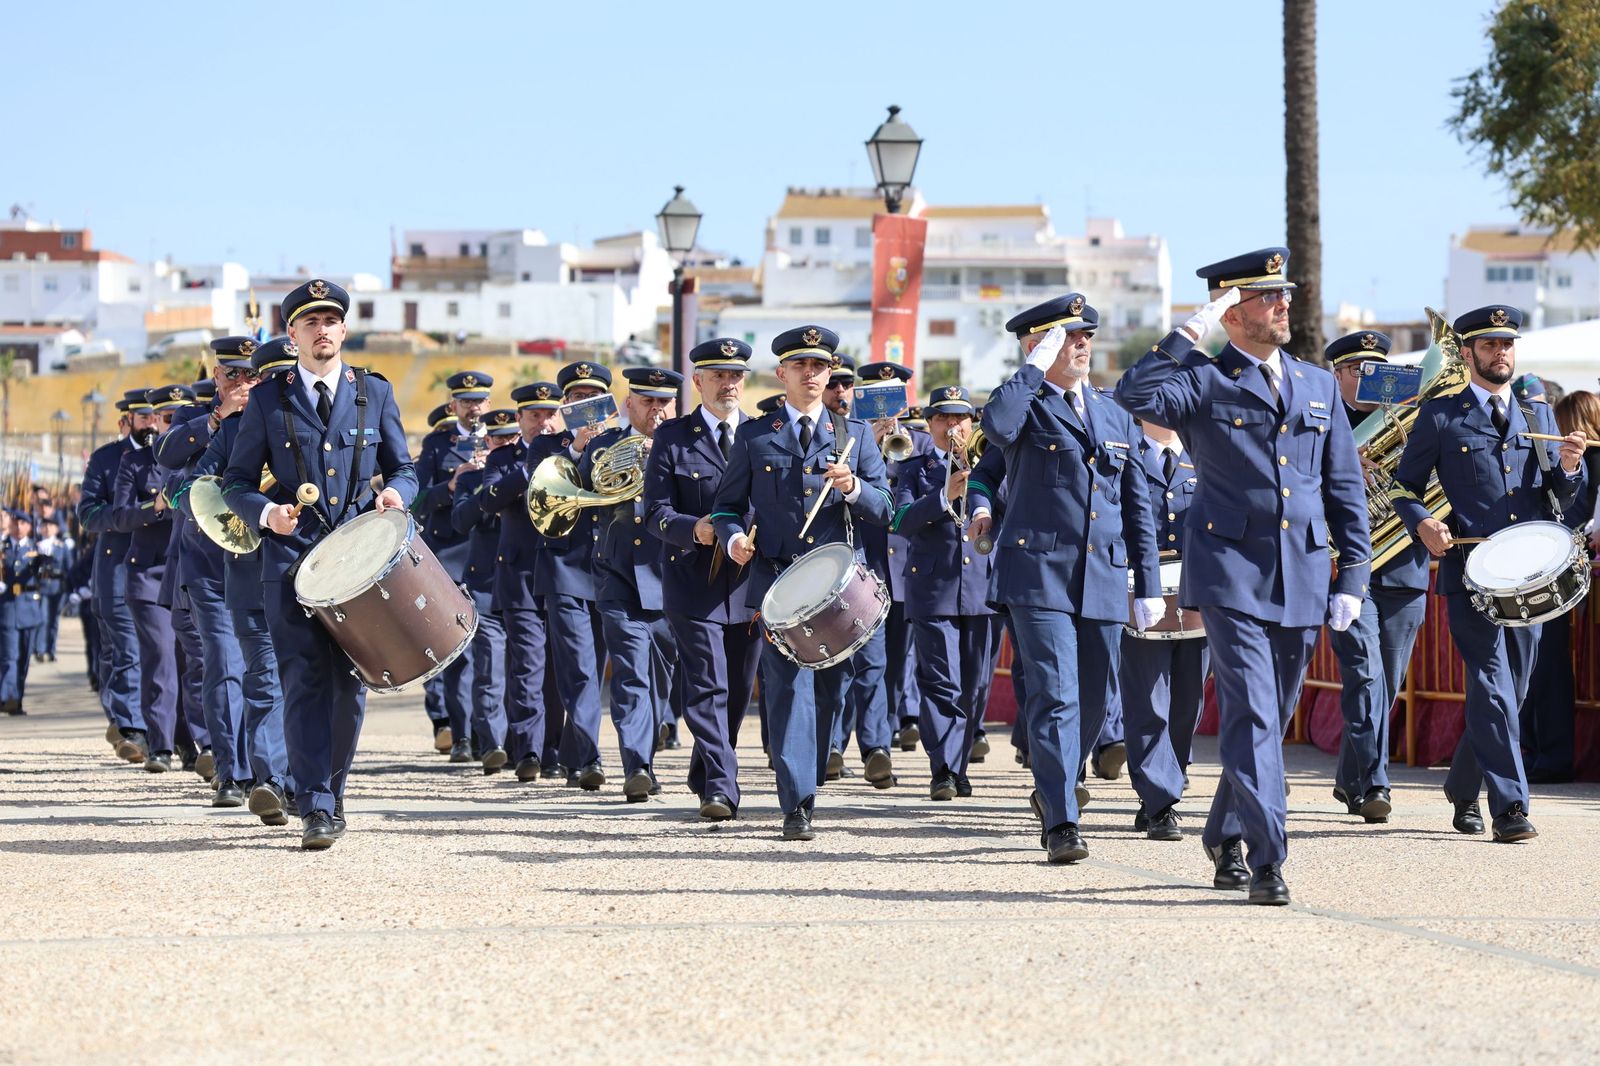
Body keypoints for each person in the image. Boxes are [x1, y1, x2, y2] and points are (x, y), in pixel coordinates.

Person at [1115, 248, 1370, 905]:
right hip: (1229, 573)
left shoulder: (1316, 385)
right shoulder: (1204, 379)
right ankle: (1268, 859)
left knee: (1271, 713)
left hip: (1305, 572)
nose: (1284, 304)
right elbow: (1133, 394)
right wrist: (1185, 332)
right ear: (1232, 312)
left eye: (1285, 293)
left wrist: (1353, 578)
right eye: (1266, 296)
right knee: (1253, 714)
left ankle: (1227, 830)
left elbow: (1344, 487)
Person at [222, 279, 417, 850]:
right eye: (310, 322)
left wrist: (398, 494)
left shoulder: (373, 393)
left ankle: (330, 788)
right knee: (303, 679)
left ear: (344, 330)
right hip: (290, 560)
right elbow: (235, 482)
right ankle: (316, 804)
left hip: (358, 559)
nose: (322, 330)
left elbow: (404, 468)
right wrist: (265, 515)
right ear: (293, 333)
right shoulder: (268, 397)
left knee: (349, 686)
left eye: (331, 320)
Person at [1392, 305, 1585, 841]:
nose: (1502, 353)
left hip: (1531, 575)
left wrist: (1571, 466)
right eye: (1490, 345)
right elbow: (1404, 487)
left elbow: (1560, 493)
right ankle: (1510, 808)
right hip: (1470, 573)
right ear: (1470, 353)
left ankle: (1461, 785)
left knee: (1511, 691)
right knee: (1493, 684)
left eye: (1508, 344)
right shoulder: (1440, 415)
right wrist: (1425, 523)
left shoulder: (1536, 412)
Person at [983, 293, 1161, 865]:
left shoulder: (1113, 414)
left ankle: (1054, 780)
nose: (1081, 344)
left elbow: (1137, 506)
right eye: (1068, 336)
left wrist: (1150, 583)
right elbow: (998, 424)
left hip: (1103, 575)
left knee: (1092, 697)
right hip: (1038, 572)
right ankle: (1062, 819)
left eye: (1085, 335)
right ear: (1038, 344)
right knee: (1056, 693)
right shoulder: (1024, 403)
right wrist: (1034, 365)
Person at [711, 326, 894, 840]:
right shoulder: (755, 435)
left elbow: (887, 508)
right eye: (800, 367)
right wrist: (731, 541)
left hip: (837, 589)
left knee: (832, 694)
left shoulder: (852, 434)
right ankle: (797, 803)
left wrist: (854, 487)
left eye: (820, 367)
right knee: (789, 691)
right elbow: (726, 507)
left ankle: (810, 775)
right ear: (782, 374)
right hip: (778, 583)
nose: (811, 375)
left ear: (830, 373)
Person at [644, 339, 761, 820]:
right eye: (717, 376)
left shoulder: (761, 434)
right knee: (708, 686)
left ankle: (705, 770)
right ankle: (721, 787)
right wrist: (692, 528)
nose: (727, 385)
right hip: (692, 581)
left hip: (749, 585)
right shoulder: (673, 439)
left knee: (736, 689)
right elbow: (653, 513)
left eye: (735, 376)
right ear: (698, 382)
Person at [1323, 331, 1431, 823]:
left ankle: (1351, 777)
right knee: (1365, 676)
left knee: (1386, 682)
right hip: (1348, 571)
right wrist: (1343, 470)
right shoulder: (1321, 424)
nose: (1370, 379)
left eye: (1378, 369)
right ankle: (1373, 783)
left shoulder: (1409, 421)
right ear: (1337, 374)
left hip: (1404, 567)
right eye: (1358, 371)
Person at [580, 367, 679, 800]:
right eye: (647, 401)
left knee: (661, 676)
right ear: (629, 404)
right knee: (631, 673)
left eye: (663, 402)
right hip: (617, 573)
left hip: (670, 574)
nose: (656, 410)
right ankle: (636, 764)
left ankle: (648, 750)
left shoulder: (682, 447)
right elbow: (579, 491)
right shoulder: (605, 445)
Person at [891, 385, 995, 799]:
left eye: (960, 419)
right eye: (944, 419)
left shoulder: (991, 464)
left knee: (976, 685)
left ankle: (961, 760)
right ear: (929, 424)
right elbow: (900, 520)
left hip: (983, 588)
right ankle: (945, 769)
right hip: (933, 588)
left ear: (972, 424)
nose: (953, 426)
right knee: (940, 682)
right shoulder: (914, 467)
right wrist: (943, 495)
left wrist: (982, 484)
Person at [1119, 418, 1208, 839]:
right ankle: (1158, 800)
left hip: (1196, 589)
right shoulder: (1125, 450)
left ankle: (1172, 774)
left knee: (1189, 700)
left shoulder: (1203, 450)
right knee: (1148, 698)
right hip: (1143, 588)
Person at [528, 360, 613, 788]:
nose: (586, 405)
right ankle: (589, 759)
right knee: (579, 666)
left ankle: (572, 752)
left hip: (609, 567)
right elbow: (539, 487)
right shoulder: (546, 447)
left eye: (593, 398)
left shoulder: (620, 442)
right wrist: (577, 448)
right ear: (565, 404)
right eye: (578, 398)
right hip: (564, 567)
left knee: (594, 667)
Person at [480, 380, 563, 781]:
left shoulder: (571, 454)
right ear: (520, 420)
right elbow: (489, 498)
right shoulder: (505, 458)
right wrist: (528, 469)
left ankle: (555, 750)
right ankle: (527, 750)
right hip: (520, 577)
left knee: (559, 670)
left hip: (565, 575)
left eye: (550, 414)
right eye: (535, 416)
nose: (544, 423)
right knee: (528, 665)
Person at [1518, 387, 1600, 784]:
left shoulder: (1592, 459)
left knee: (1546, 666)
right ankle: (1537, 751)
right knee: (1536, 667)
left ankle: (1549, 755)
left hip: (1557, 564)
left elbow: (1576, 510)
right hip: (1542, 561)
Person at [413, 370, 492, 759]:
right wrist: (450, 486)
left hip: (490, 554)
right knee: (455, 649)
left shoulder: (501, 438)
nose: (473, 408)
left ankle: (488, 732)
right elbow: (416, 499)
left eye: (479, 401)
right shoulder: (437, 445)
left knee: (490, 651)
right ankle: (458, 732)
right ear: (454, 405)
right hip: (449, 557)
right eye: (466, 402)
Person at [110, 387, 184, 774]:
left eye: (175, 415)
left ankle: (197, 744)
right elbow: (120, 516)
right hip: (150, 573)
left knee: (196, 661)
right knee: (160, 658)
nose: (166, 422)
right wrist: (154, 506)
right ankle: (160, 745)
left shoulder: (201, 456)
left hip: (189, 568)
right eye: (163, 416)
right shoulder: (135, 463)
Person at [78, 399, 147, 761]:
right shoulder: (107, 459)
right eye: (145, 416)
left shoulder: (171, 451)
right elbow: (88, 513)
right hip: (117, 567)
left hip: (160, 567)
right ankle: (132, 727)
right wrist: (128, 517)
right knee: (125, 649)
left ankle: (132, 718)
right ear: (127, 420)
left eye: (157, 415)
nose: (152, 422)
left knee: (149, 652)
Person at [451, 408, 519, 773]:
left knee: (523, 667)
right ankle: (492, 741)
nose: (505, 445)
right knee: (490, 665)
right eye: (499, 439)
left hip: (523, 584)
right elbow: (460, 520)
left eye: (511, 438)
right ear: (487, 441)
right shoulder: (473, 476)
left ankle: (520, 743)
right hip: (485, 582)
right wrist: (484, 487)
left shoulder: (532, 474)